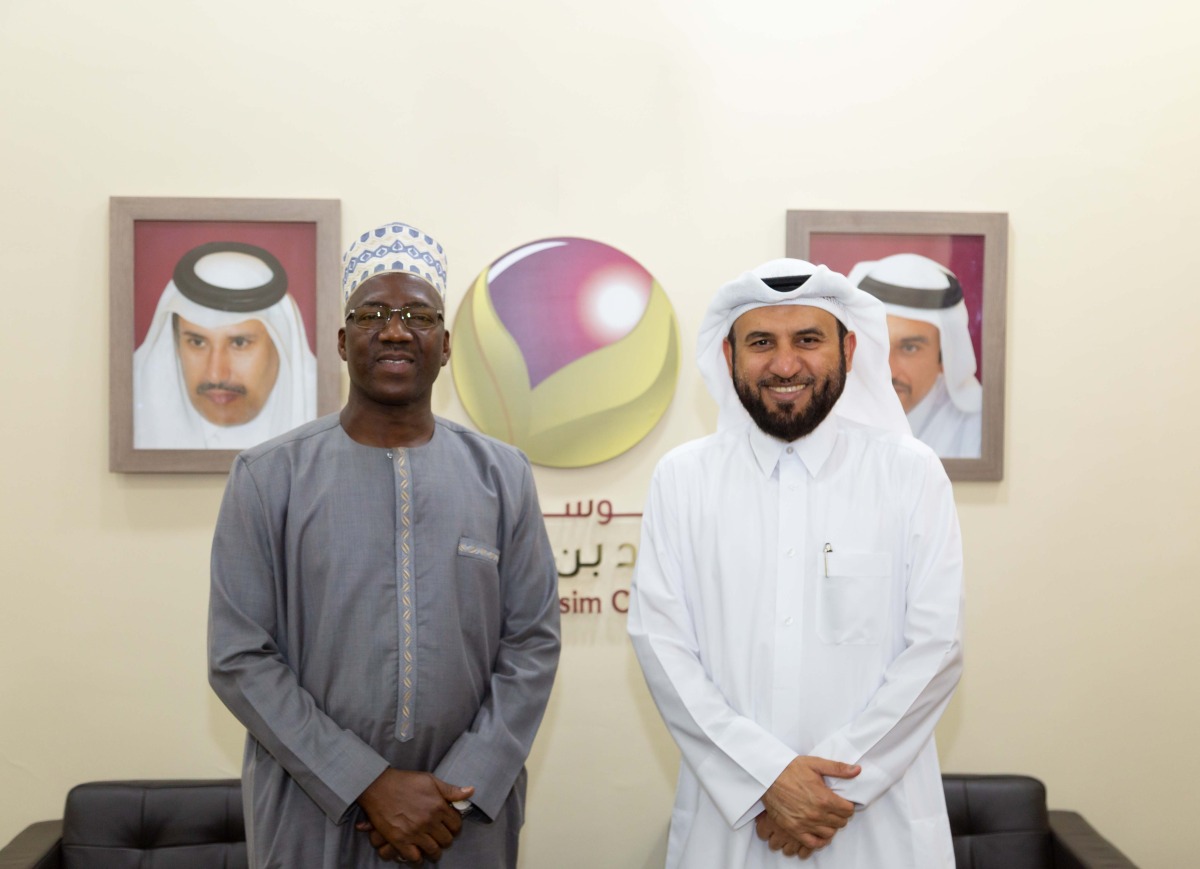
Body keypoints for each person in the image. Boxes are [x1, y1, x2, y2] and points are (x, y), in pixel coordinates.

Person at [208, 221, 561, 868]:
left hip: (462, 816)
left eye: (418, 315)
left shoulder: (501, 475)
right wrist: (364, 781)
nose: (395, 329)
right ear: (343, 341)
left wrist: (460, 786)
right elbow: (240, 659)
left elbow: (532, 643)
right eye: (373, 313)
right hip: (313, 808)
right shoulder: (268, 477)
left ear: (446, 345)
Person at [628, 259, 964, 868]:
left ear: (849, 348)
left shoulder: (909, 474)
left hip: (873, 830)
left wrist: (826, 792)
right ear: (729, 354)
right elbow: (661, 645)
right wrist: (766, 778)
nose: (785, 365)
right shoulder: (684, 479)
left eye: (808, 339)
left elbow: (937, 648)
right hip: (733, 828)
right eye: (762, 342)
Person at [134, 241, 317, 449]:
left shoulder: (332, 423)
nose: (216, 375)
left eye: (239, 343)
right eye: (197, 342)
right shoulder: (130, 415)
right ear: (175, 345)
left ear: (281, 346)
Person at [848, 253, 982, 459]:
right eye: (876, 344)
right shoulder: (826, 413)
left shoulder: (977, 428)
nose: (888, 369)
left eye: (909, 348)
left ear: (944, 358)